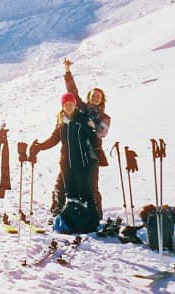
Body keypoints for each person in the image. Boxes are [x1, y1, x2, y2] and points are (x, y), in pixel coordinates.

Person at [31, 94, 102, 233]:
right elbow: (53, 140)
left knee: (86, 194)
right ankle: (72, 221)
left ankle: (93, 222)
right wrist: (39, 147)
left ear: (75, 105)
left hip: (82, 164)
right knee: (71, 195)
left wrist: (98, 155)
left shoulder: (83, 120)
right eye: (66, 104)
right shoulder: (62, 123)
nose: (69, 106)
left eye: (71, 104)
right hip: (66, 165)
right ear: (63, 107)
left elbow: (94, 139)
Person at [54, 58, 112, 218]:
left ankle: (96, 216)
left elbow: (102, 133)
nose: (94, 98)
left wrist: (93, 127)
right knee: (63, 183)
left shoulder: (104, 117)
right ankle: (58, 212)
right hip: (73, 153)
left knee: (91, 186)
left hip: (91, 155)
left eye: (98, 96)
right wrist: (67, 72)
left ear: (101, 100)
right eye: (93, 95)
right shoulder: (82, 108)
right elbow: (72, 92)